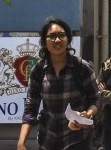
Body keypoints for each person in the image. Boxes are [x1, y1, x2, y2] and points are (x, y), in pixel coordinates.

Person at [18, 17, 100, 150]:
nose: (57, 40)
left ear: (68, 40)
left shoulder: (81, 67)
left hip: (77, 138)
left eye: (61, 35)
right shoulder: (38, 71)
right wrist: (21, 143)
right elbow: (30, 109)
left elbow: (96, 99)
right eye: (52, 36)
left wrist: (87, 114)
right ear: (44, 42)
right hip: (48, 139)